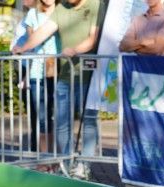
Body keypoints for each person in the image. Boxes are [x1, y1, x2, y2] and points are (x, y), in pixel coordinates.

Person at [15, 0, 103, 177]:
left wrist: (74, 50)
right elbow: (42, 32)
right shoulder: (62, 8)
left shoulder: (95, 4)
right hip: (66, 74)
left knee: (89, 121)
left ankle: (84, 165)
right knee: (62, 122)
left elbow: (92, 40)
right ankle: (66, 164)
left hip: (89, 74)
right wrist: (22, 48)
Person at [14, 0, 59, 155]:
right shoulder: (32, 14)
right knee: (41, 117)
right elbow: (32, 41)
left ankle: (55, 156)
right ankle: (44, 157)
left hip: (58, 71)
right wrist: (21, 48)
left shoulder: (61, 12)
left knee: (56, 116)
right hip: (36, 72)